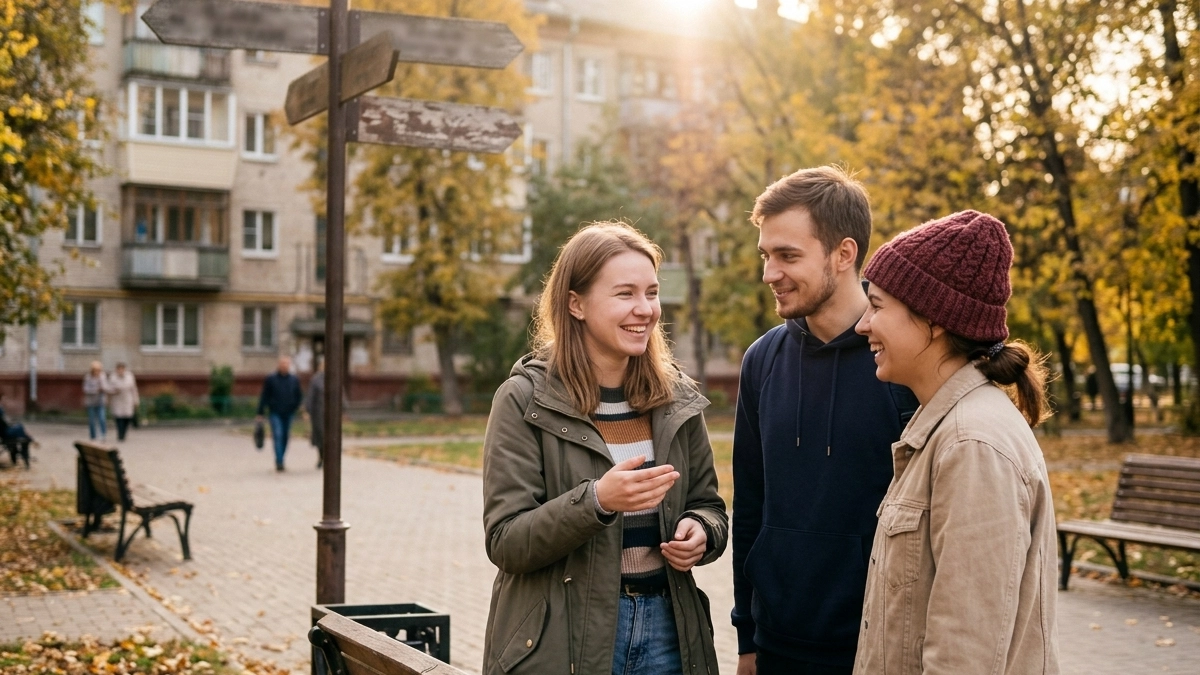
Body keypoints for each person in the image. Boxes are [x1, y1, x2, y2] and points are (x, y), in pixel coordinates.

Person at [481, 222, 727, 675]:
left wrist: (701, 531)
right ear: (576, 304)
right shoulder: (522, 399)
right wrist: (597, 501)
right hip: (565, 636)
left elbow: (709, 505)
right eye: (625, 294)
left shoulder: (676, 398)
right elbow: (506, 541)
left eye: (651, 293)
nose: (645, 309)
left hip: (669, 632)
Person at [852, 210, 1060, 673]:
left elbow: (965, 651)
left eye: (879, 306)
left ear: (935, 319)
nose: (863, 324)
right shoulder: (947, 428)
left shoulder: (972, 444)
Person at [731, 166, 917, 675]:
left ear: (844, 253)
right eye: (766, 255)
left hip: (876, 646)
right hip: (776, 645)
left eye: (788, 256)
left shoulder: (901, 364)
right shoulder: (761, 361)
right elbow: (749, 504)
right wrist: (747, 635)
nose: (770, 272)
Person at [256, 355, 303, 471]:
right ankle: (279, 460)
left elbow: (299, 395)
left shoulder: (294, 379)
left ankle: (281, 457)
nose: (284, 365)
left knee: (285, 436)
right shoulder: (271, 379)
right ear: (278, 364)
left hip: (289, 412)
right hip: (275, 412)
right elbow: (265, 396)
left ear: (289, 365)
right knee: (278, 434)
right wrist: (260, 412)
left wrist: (297, 407)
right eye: (282, 363)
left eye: (286, 363)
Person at [108, 363, 140, 442]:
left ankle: (124, 433)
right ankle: (120, 434)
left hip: (127, 399)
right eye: (119, 369)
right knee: (118, 418)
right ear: (116, 369)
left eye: (122, 369)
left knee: (127, 418)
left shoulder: (129, 376)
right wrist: (114, 391)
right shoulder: (113, 377)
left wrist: (136, 400)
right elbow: (108, 388)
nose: (120, 371)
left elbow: (133, 389)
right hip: (117, 400)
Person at [83, 361, 110, 441]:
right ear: (92, 370)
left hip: (101, 401)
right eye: (95, 370)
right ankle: (93, 435)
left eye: (98, 370)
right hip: (91, 402)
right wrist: (95, 390)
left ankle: (103, 434)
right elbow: (85, 389)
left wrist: (102, 386)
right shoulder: (88, 377)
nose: (97, 372)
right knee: (92, 420)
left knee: (102, 418)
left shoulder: (102, 376)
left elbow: (106, 387)